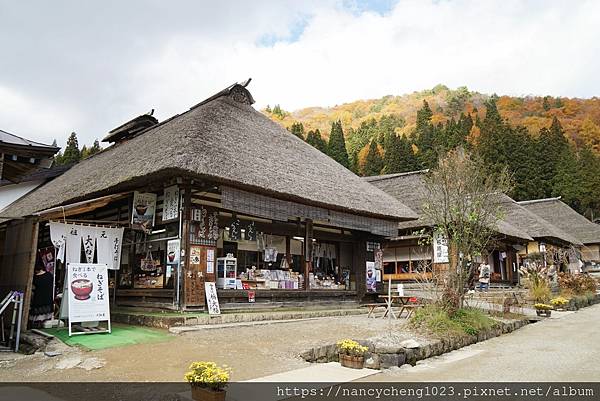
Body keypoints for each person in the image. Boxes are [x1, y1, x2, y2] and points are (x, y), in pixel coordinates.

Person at [29, 261, 54, 328]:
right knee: (46, 310)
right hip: (48, 296)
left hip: (39, 296)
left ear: (35, 270)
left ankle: (37, 323)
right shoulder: (49, 275)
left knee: (38, 311)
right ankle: (44, 322)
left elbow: (33, 287)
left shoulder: (35, 278)